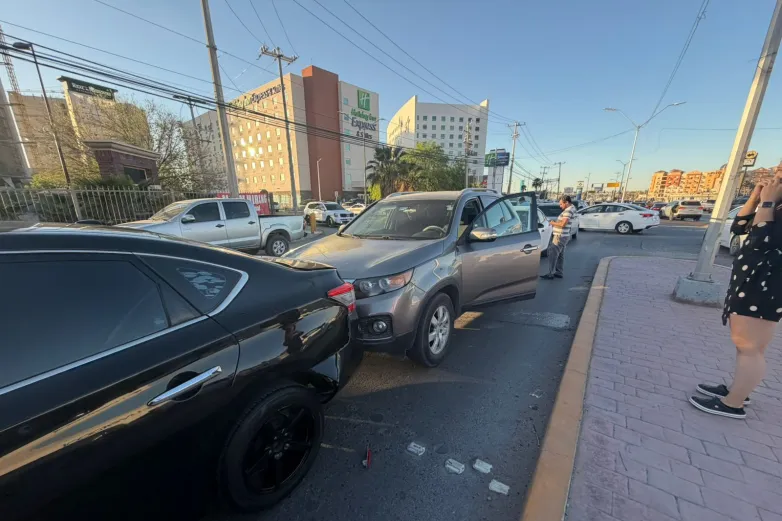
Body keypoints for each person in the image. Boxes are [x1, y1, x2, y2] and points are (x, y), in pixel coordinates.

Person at [689, 176, 782, 419]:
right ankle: (738, 389)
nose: (774, 179)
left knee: (750, 347)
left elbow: (760, 241)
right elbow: (739, 227)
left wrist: (769, 203)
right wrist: (756, 197)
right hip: (753, 282)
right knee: (748, 347)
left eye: (779, 176)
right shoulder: (774, 205)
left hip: (764, 285)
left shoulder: (775, 207)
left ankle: (734, 403)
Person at [541, 195, 576, 280]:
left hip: (560, 236)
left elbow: (563, 224)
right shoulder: (572, 208)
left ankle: (550, 273)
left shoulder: (568, 211)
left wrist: (553, 223)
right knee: (560, 255)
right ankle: (559, 272)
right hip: (564, 235)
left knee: (553, 254)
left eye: (561, 204)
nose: (560, 206)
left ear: (566, 202)